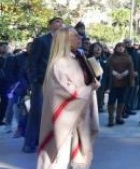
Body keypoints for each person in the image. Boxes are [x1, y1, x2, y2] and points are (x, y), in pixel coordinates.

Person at [37, 27, 99, 169]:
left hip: (81, 113)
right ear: (64, 40)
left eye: (79, 36)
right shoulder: (59, 63)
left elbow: (87, 80)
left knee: (77, 153)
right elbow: (65, 92)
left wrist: (93, 81)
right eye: (75, 36)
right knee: (61, 155)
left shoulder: (79, 57)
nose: (80, 38)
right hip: (65, 117)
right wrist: (90, 88)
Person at [24, 17, 63, 153]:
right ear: (50, 25)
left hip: (57, 83)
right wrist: (34, 79)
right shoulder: (41, 40)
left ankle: (47, 142)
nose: (59, 24)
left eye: (61, 22)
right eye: (57, 22)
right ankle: (29, 143)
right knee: (37, 112)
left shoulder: (63, 41)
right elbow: (32, 61)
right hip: (41, 82)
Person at [106, 42, 134, 127]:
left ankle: (119, 117)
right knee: (112, 100)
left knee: (122, 100)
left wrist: (124, 74)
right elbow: (108, 67)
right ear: (115, 48)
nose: (121, 48)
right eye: (119, 46)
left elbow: (131, 67)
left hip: (124, 82)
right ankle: (111, 118)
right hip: (113, 82)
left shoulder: (128, 57)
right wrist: (115, 74)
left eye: (122, 46)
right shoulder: (111, 57)